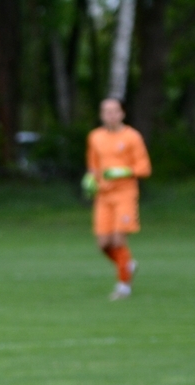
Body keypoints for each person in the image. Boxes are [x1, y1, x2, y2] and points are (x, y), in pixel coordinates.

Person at [82, 97, 152, 300]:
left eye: (114, 111)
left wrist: (124, 171)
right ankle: (127, 264)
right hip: (103, 195)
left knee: (118, 239)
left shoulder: (132, 137)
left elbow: (144, 168)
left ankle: (123, 286)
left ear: (122, 113)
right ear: (101, 115)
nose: (110, 115)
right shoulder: (95, 137)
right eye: (106, 111)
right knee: (103, 244)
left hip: (125, 194)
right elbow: (93, 166)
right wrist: (90, 181)